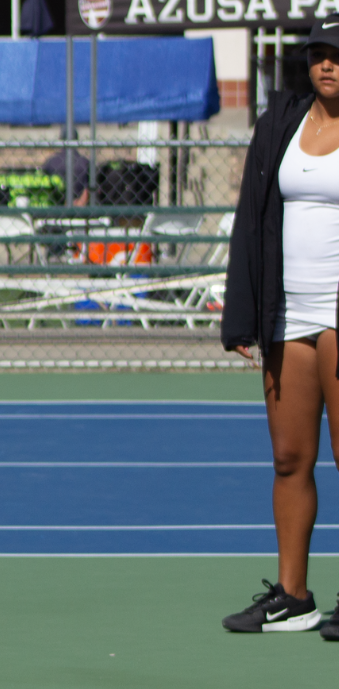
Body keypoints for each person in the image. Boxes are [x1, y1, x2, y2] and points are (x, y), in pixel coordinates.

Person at [221, 24, 339, 636]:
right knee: (290, 458)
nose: (330, 65)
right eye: (321, 54)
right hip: (288, 316)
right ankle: (293, 598)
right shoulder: (281, 125)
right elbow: (250, 218)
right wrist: (243, 316)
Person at [40, 126, 92, 207]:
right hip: (81, 207)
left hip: (55, 207)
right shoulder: (85, 162)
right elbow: (90, 188)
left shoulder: (51, 162)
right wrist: (79, 203)